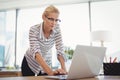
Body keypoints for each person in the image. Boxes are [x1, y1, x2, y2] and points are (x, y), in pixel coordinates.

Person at [21, 5, 67, 76]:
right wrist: (50, 72)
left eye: (56, 20)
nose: (54, 23)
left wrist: (64, 71)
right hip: (30, 63)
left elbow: (60, 49)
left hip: (46, 62)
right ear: (43, 17)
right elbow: (36, 52)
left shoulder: (57, 28)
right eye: (51, 19)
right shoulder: (34, 30)